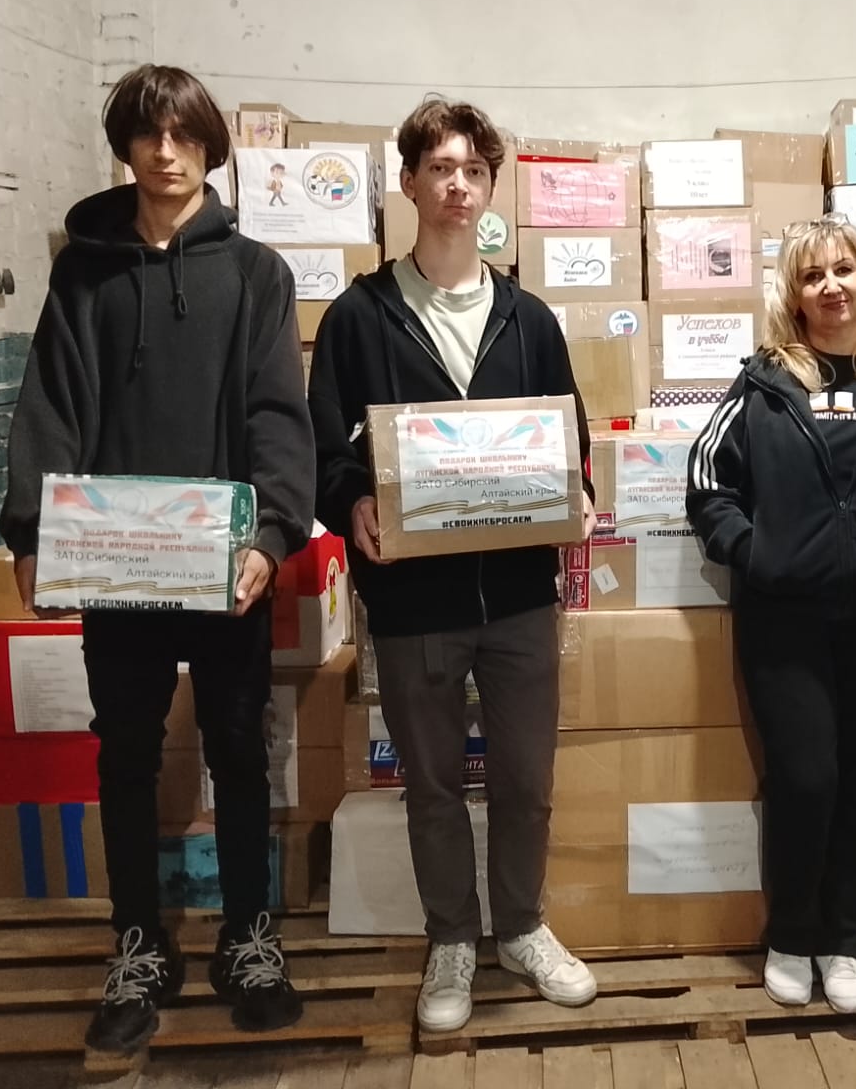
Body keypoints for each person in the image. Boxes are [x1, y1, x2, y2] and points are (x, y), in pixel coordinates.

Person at [0, 64, 315, 1054]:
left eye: (182, 135)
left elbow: (277, 411)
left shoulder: (255, 274)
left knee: (239, 749)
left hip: (224, 566)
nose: (165, 152)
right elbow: (49, 405)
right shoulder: (83, 274)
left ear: (208, 147)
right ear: (126, 147)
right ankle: (137, 943)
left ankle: (249, 936)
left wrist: (271, 534)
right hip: (116, 564)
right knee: (125, 755)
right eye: (147, 134)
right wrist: (31, 533)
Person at [307, 96, 598, 1033]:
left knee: (526, 780)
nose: (458, 186)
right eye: (440, 168)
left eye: (473, 170)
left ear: (490, 186)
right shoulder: (359, 318)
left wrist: (580, 496)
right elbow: (326, 451)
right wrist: (352, 502)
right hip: (413, 599)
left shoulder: (529, 319)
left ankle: (521, 926)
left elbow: (569, 440)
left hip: (517, 596)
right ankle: (451, 939)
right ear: (409, 182)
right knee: (431, 786)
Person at [685, 216, 856, 1013]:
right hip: (786, 618)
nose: (831, 286)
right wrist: (756, 554)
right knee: (807, 777)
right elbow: (707, 483)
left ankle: (844, 942)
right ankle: (790, 935)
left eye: (844, 269)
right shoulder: (765, 381)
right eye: (813, 275)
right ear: (794, 294)